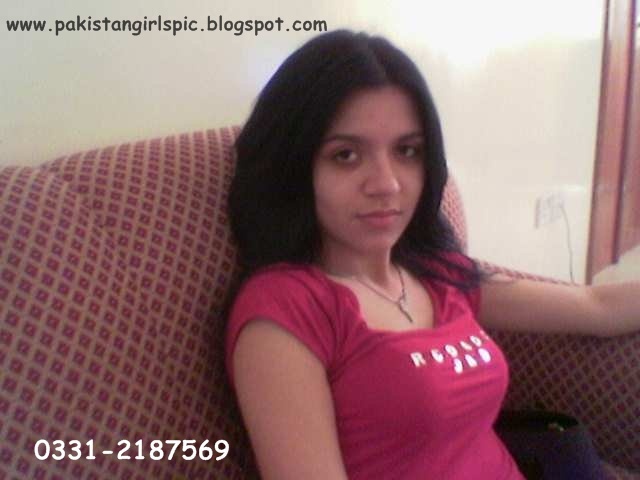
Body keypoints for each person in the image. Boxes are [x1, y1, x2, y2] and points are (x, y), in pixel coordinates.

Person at [223, 29, 640, 480]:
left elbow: (594, 305)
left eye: (407, 151)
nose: (387, 183)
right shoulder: (286, 310)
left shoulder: (437, 271)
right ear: (294, 167)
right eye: (345, 155)